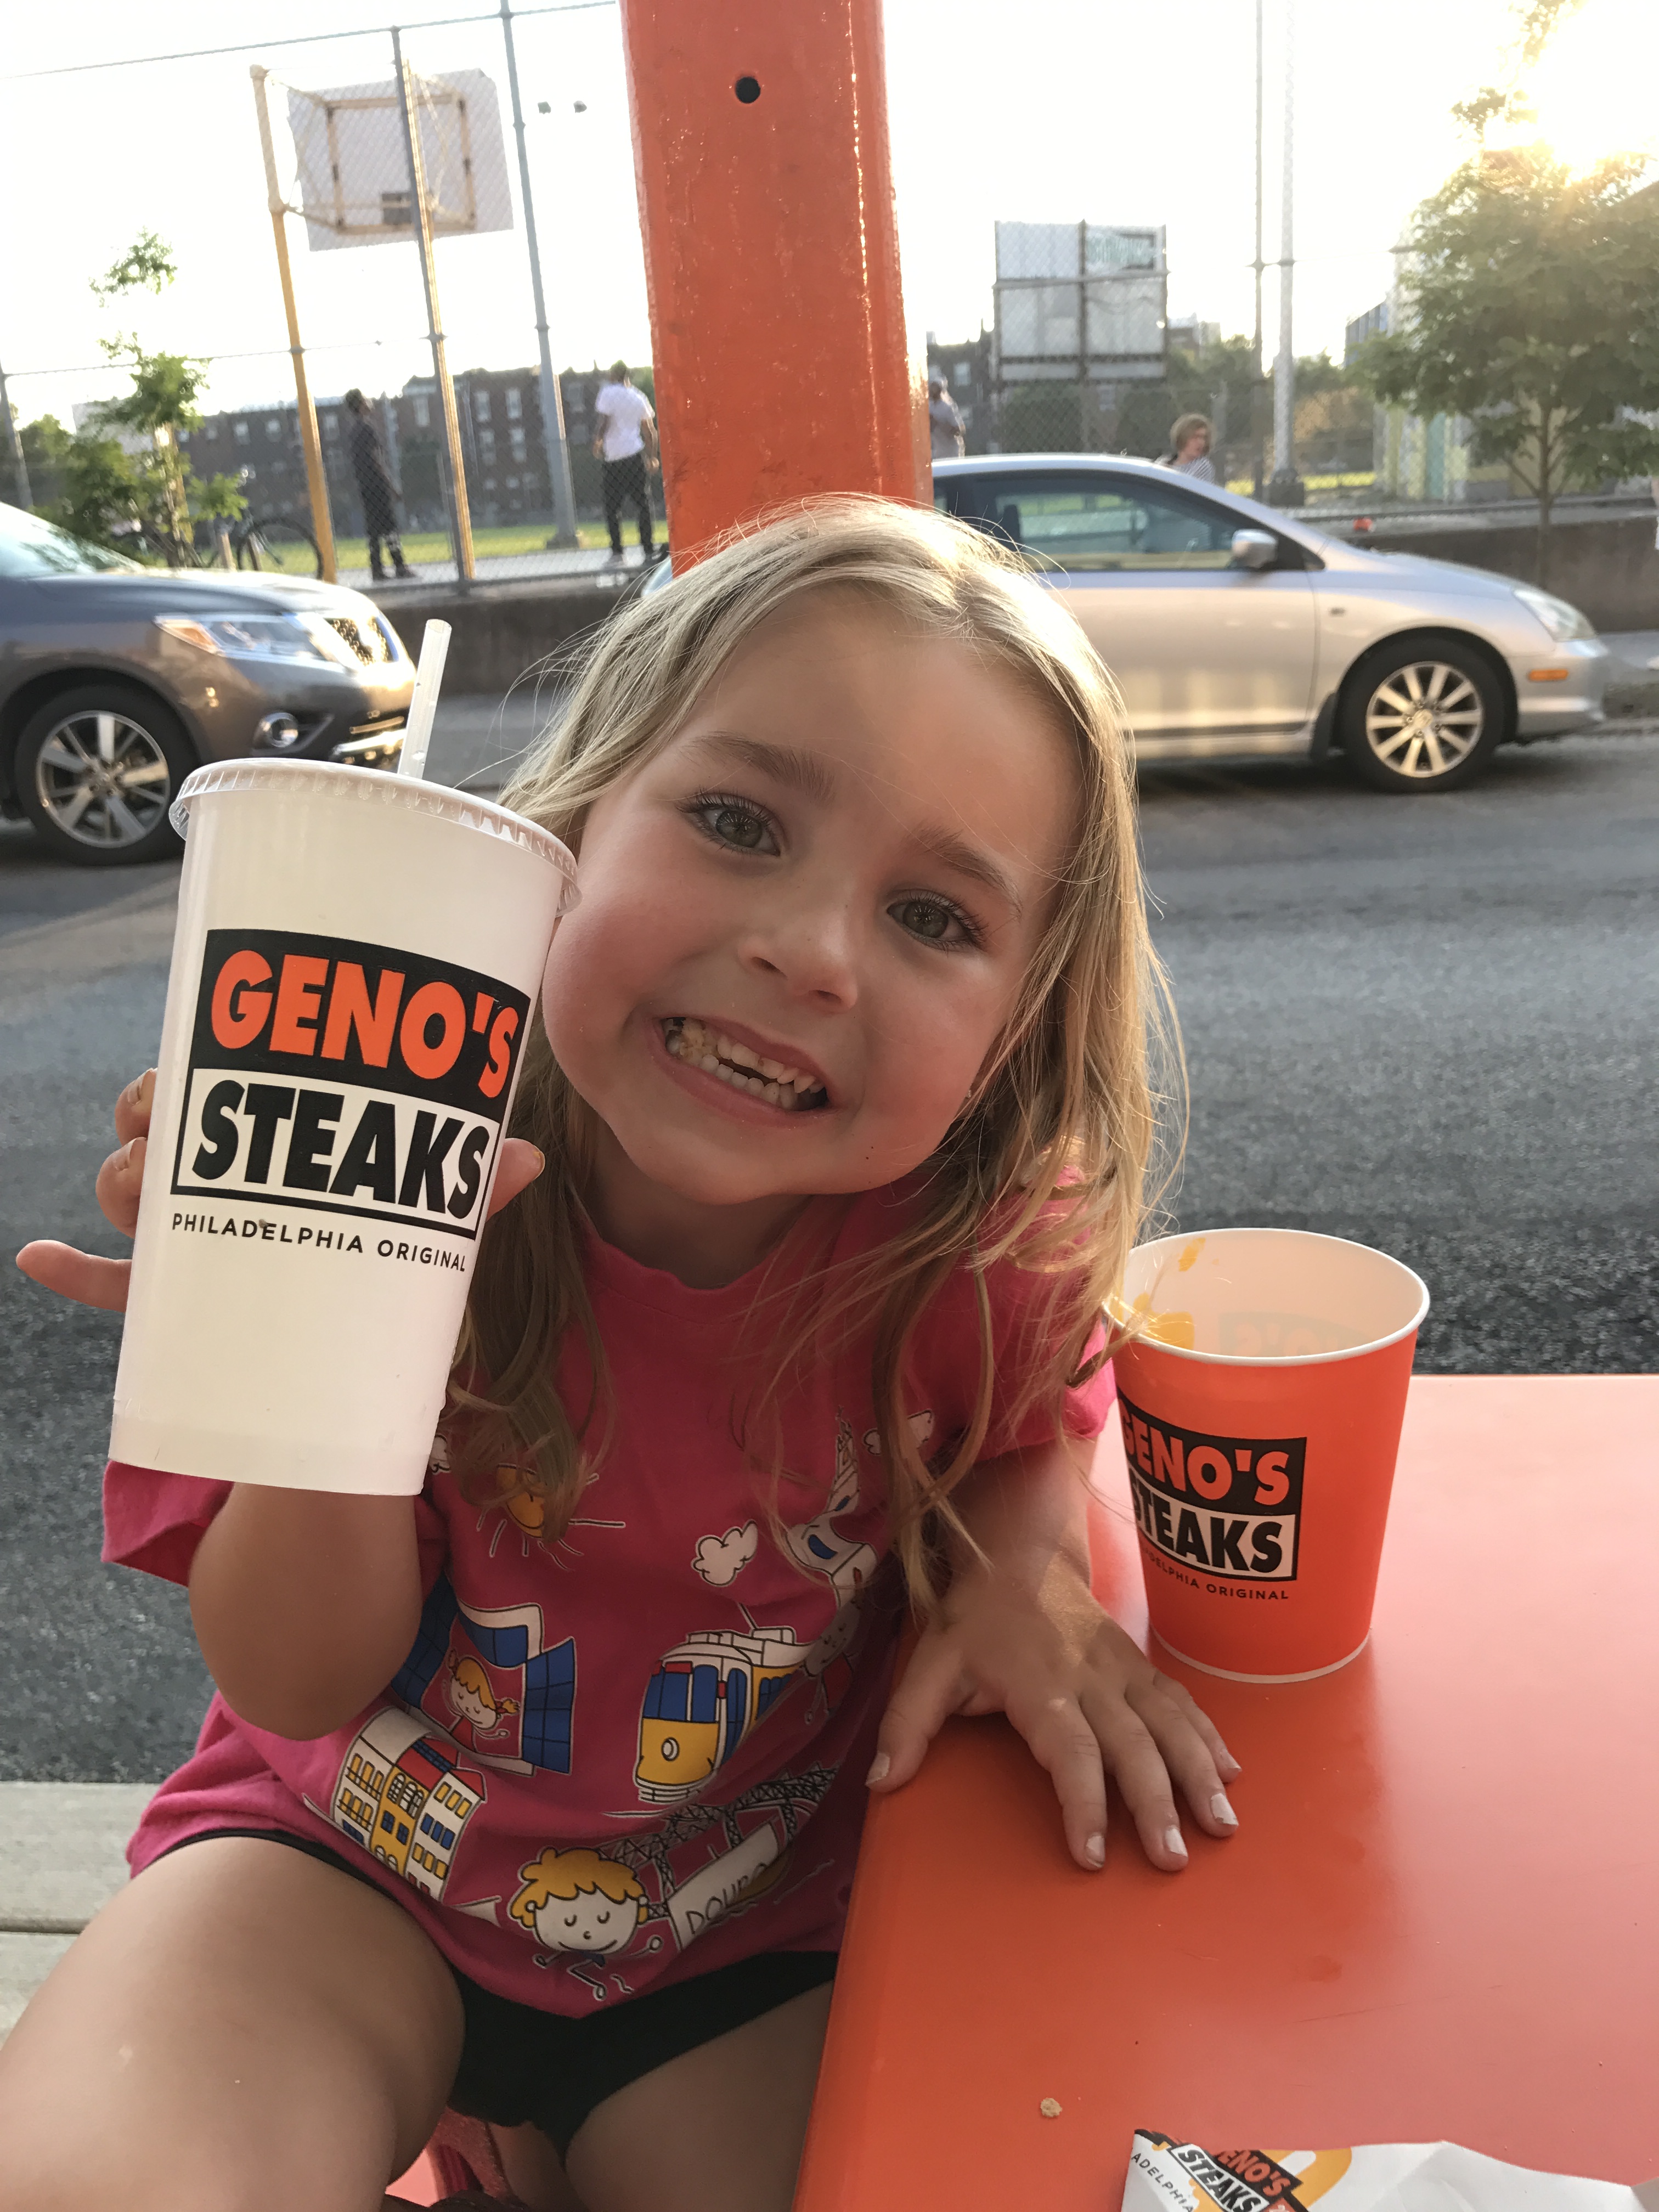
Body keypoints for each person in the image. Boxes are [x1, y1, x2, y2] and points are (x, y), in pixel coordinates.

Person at [3, 499, 1241, 2212]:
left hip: (744, 1947)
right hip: (333, 1871)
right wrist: (316, 1336)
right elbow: (294, 1679)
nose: (811, 950)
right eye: (737, 822)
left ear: (1017, 1029)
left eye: (934, 916)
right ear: (568, 826)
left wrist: (1022, 1576)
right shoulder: (356, 1146)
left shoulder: (970, 1244)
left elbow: (1039, 1415)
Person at [343, 388, 416, 582]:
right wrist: (392, 486)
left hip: (365, 486)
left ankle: (377, 568)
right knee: (390, 527)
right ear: (361, 405)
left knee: (374, 529)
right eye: (365, 400)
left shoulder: (353, 432)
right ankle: (399, 565)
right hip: (377, 485)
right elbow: (377, 460)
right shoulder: (367, 429)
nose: (369, 402)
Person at [592, 359, 659, 566]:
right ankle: (648, 550)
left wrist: (598, 441)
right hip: (634, 455)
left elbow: (604, 421)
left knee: (612, 507)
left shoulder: (608, 393)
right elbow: (650, 431)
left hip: (614, 458)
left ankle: (617, 553)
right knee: (643, 504)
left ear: (614, 375)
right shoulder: (639, 397)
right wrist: (652, 457)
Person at [1158, 412, 1216, 482]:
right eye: (1195, 437)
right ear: (1183, 438)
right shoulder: (1164, 461)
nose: (1201, 442)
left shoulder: (1202, 466)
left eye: (1203, 438)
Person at [928, 373, 966, 461]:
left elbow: (959, 430)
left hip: (950, 451)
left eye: (934, 387)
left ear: (940, 390)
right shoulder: (929, 407)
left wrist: (939, 423)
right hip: (937, 451)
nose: (931, 390)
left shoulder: (947, 407)